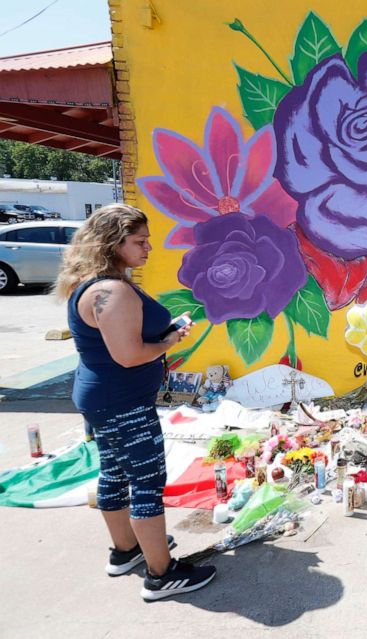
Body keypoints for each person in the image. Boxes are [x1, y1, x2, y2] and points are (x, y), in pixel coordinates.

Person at [55, 204, 216, 601]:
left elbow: (116, 342)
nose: (148, 248)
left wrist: (162, 332)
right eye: (139, 242)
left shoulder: (94, 284)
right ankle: (161, 575)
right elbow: (128, 355)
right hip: (122, 402)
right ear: (112, 243)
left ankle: (125, 551)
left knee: (113, 473)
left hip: (103, 398)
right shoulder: (112, 291)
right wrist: (169, 341)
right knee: (146, 482)